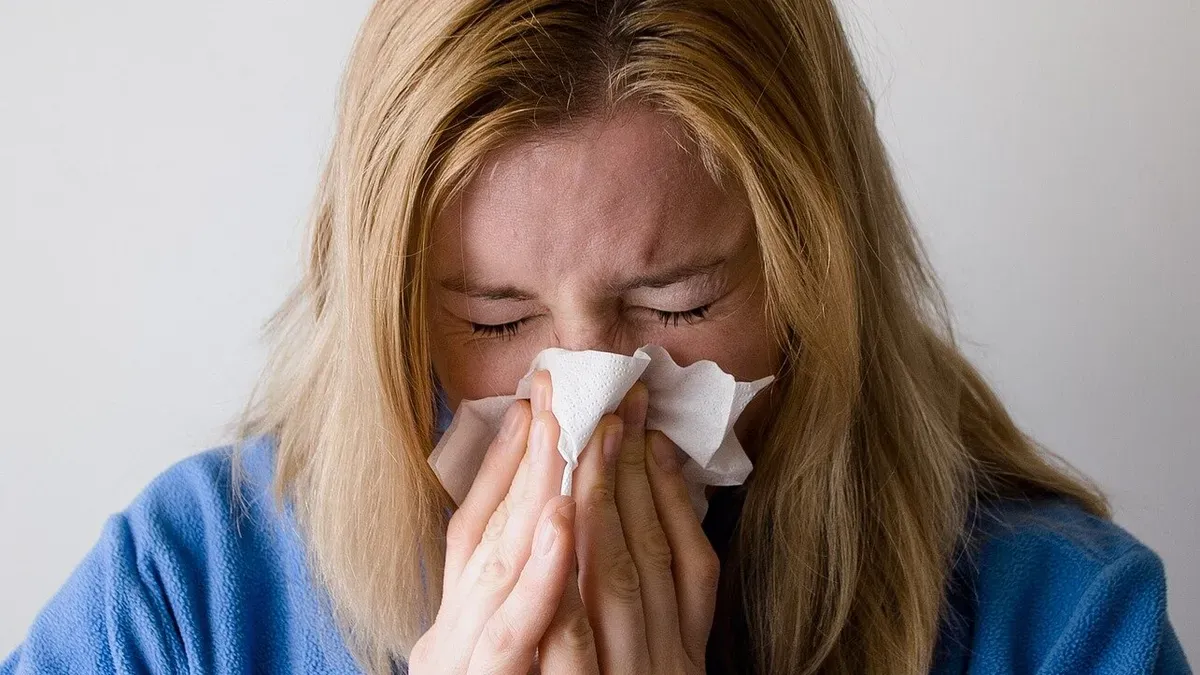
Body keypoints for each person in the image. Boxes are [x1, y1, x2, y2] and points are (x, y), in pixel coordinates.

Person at [2, 0, 1190, 673]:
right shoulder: (187, 595)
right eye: (494, 319)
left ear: (813, 279)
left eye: (676, 306)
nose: (587, 399)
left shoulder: (1058, 626)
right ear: (390, 309)